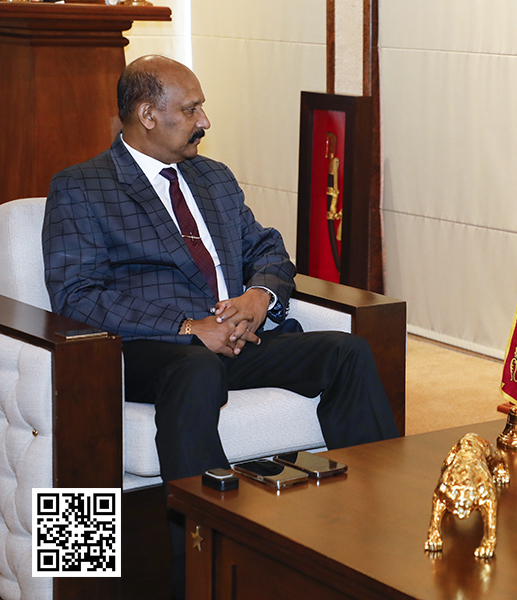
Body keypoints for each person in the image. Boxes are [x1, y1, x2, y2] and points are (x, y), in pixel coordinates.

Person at [42, 54, 399, 596]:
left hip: (238, 337)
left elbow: (268, 248)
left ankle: (371, 537)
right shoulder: (83, 187)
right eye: (191, 109)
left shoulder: (212, 177)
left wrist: (260, 295)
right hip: (148, 351)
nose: (205, 121)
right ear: (147, 115)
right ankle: (204, 569)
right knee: (194, 370)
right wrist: (186, 326)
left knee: (346, 352)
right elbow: (77, 295)